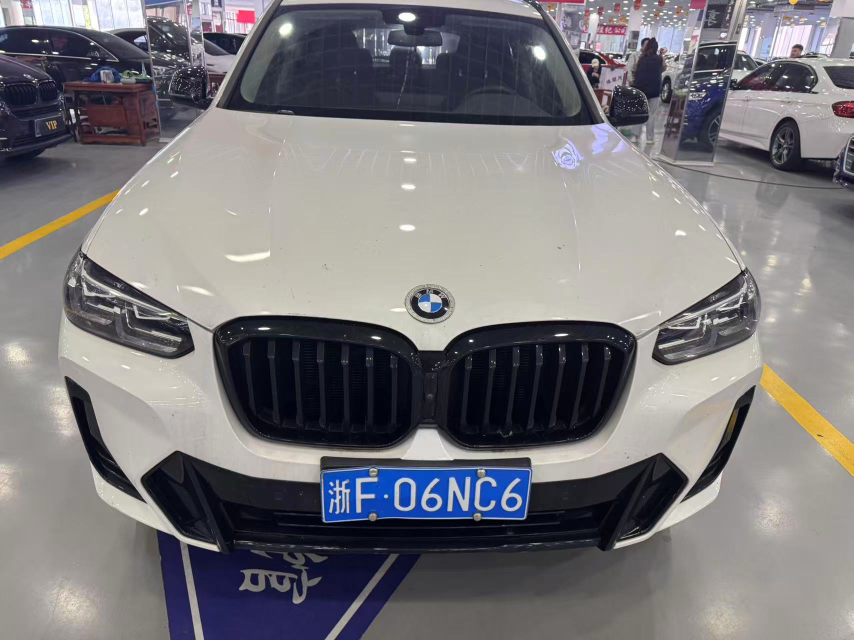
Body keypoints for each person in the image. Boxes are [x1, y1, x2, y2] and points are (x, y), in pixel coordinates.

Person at [632, 37, 664, 145]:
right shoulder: (659, 59)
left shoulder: (641, 59)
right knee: (652, 115)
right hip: (654, 90)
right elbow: (663, 68)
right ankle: (650, 138)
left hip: (641, 89)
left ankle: (636, 136)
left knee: (639, 113)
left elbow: (637, 72)